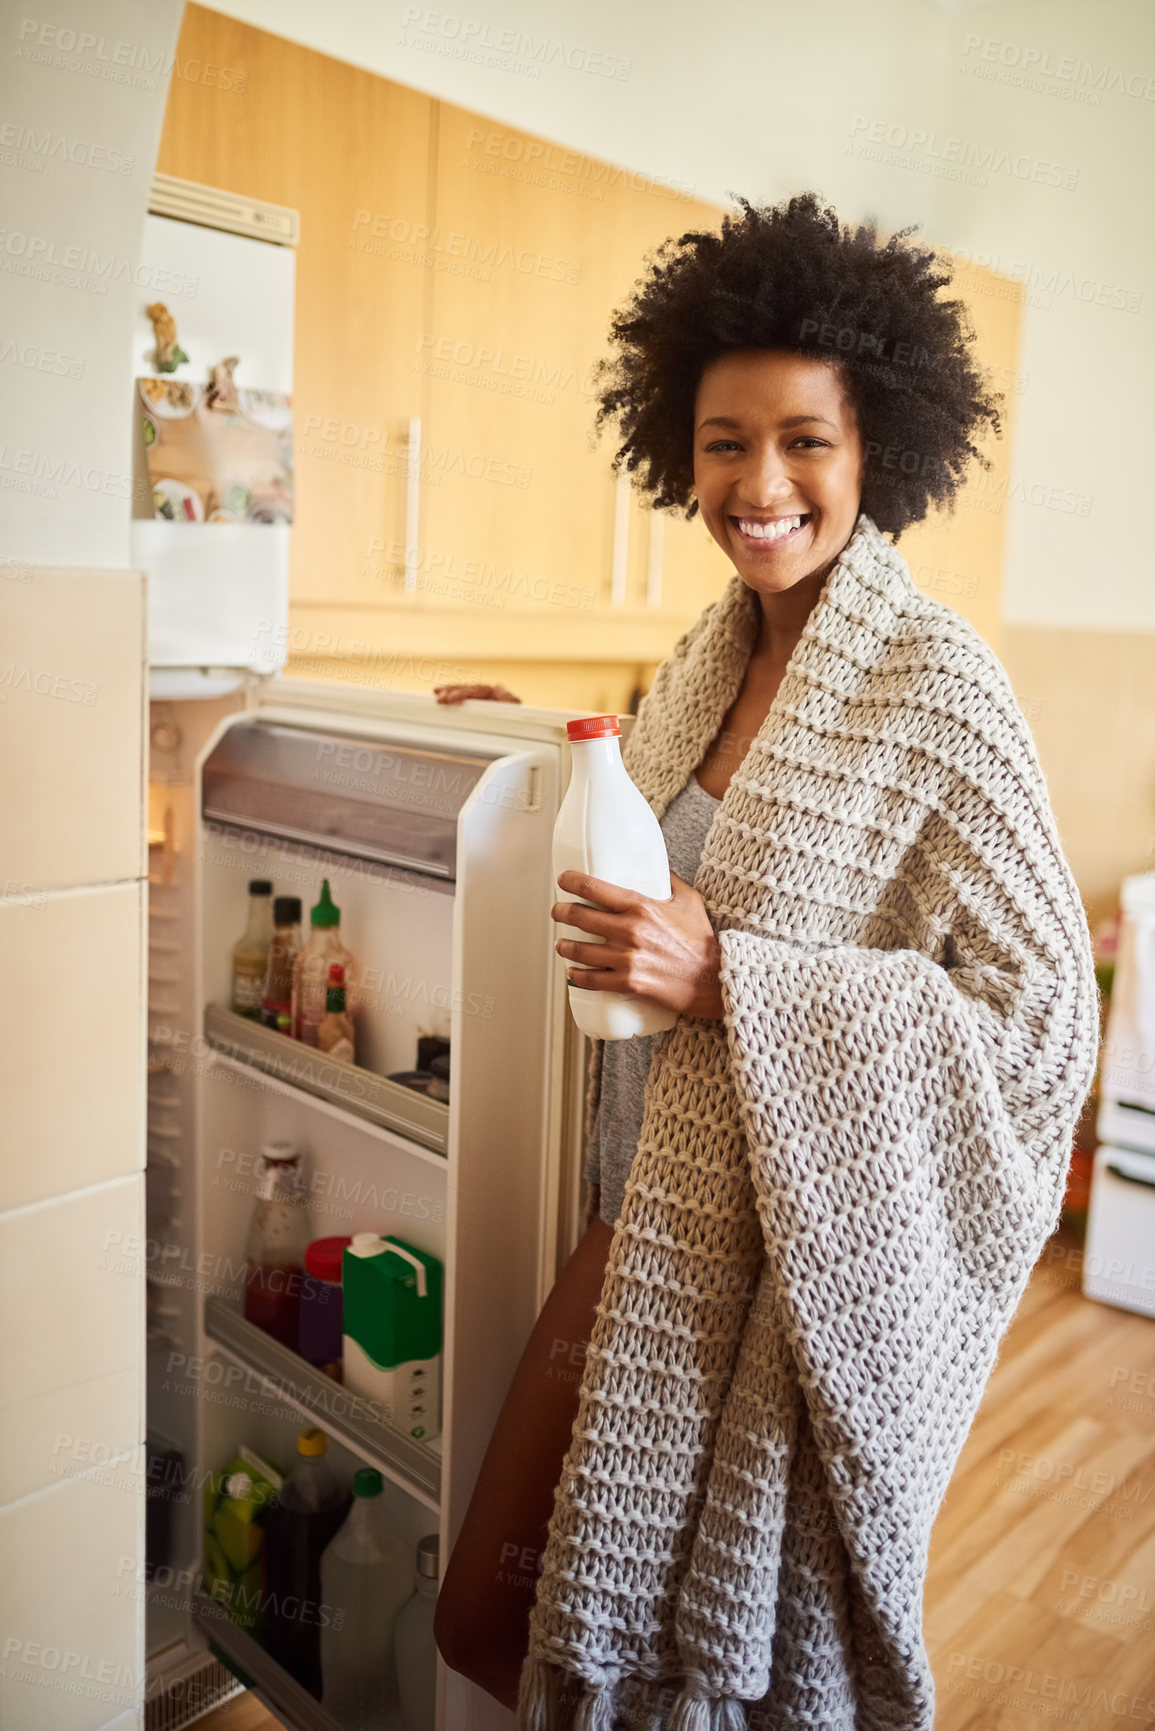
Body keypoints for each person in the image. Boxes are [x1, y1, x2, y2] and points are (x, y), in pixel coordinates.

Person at [431, 193, 1096, 1721]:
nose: (761, 482)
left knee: (618, 1650)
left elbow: (1047, 1020)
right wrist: (534, 742)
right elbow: (668, 830)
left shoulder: (939, 688)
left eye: (805, 440)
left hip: (783, 1284)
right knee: (504, 1627)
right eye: (726, 442)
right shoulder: (703, 655)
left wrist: (741, 985)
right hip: (635, 1208)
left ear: (876, 454)